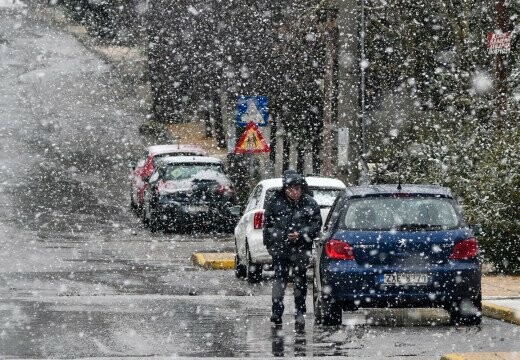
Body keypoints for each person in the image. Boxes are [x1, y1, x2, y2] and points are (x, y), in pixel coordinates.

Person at [263, 170, 322, 328]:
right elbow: (268, 226)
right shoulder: (275, 201)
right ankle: (276, 312)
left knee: (300, 281)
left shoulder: (310, 203)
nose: (294, 192)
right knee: (279, 280)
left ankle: (300, 313)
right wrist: (273, 244)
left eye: (297, 189)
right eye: (290, 189)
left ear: (302, 189)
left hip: (301, 250)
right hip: (280, 249)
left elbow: (316, 225)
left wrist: (301, 235)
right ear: (285, 189)